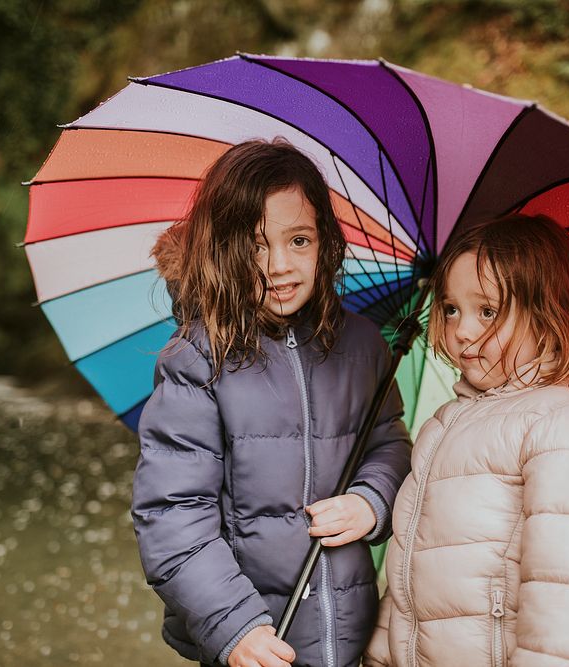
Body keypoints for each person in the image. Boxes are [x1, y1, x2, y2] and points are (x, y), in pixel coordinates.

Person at [364, 213, 569, 667]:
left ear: (546, 317)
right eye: (451, 308)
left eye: (487, 311)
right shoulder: (444, 425)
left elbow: (564, 615)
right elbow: (409, 583)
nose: (462, 330)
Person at [132, 139, 412, 667]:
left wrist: (371, 501)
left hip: (350, 637)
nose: (279, 266)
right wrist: (234, 627)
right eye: (256, 246)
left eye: (298, 240)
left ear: (325, 243)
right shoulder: (198, 359)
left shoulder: (363, 346)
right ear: (224, 248)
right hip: (258, 644)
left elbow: (391, 446)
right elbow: (172, 514)